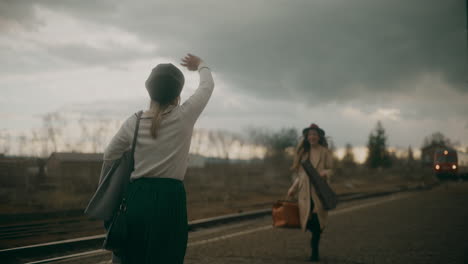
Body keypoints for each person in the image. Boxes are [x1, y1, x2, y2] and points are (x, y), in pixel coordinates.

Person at [103, 54, 214, 264]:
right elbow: (207, 86)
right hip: (170, 198)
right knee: (167, 256)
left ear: (150, 92)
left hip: (137, 196)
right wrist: (201, 65)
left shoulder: (134, 122)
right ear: (177, 94)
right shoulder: (185, 115)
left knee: (133, 256)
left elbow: (109, 155)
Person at [287, 123, 333, 262]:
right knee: (308, 221)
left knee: (319, 224)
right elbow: (301, 175)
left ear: (319, 137)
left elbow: (331, 169)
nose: (312, 137)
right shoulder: (304, 153)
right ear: (307, 137)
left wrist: (324, 173)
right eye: (310, 134)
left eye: (315, 134)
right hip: (305, 192)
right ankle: (314, 245)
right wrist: (293, 188)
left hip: (319, 192)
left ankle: (314, 252)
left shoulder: (325, 151)